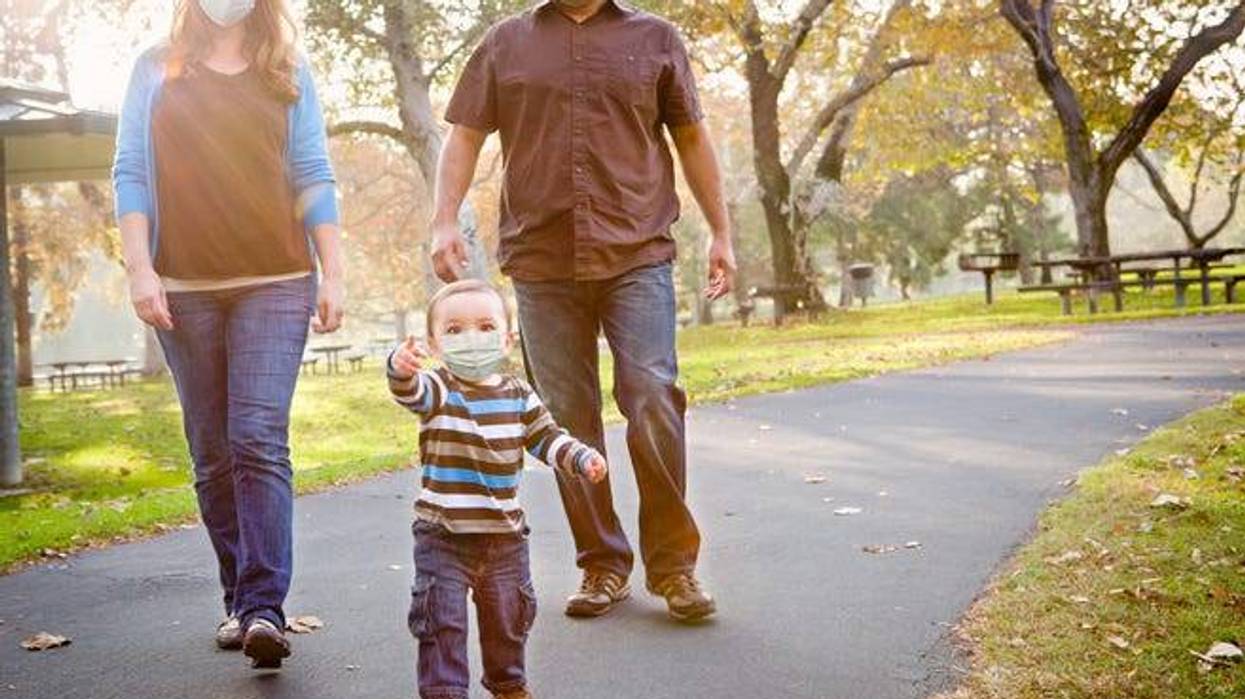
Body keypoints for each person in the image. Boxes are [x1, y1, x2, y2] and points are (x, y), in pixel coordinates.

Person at [431, 0, 736, 622]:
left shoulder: (655, 39)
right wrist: (442, 219)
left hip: (637, 250)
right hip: (541, 258)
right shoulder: (504, 43)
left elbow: (691, 138)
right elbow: (463, 134)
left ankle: (675, 567)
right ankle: (602, 563)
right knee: (566, 418)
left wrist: (721, 232)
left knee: (651, 393)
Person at [112, 0, 344, 669]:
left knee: (256, 435)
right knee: (212, 449)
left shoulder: (286, 72)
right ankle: (238, 600)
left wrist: (333, 270)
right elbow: (130, 168)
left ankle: (265, 606)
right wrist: (139, 268)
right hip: (183, 284)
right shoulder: (154, 69)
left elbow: (311, 171)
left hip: (277, 278)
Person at [387, 280, 609, 699]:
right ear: (434, 344)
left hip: (504, 538)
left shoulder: (519, 395)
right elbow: (408, 391)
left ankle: (508, 684)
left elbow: (547, 438)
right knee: (441, 621)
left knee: (508, 620)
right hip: (443, 538)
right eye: (453, 330)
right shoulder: (438, 389)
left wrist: (580, 457)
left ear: (507, 339)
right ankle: (444, 690)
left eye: (485, 325)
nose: (470, 337)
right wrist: (400, 368)